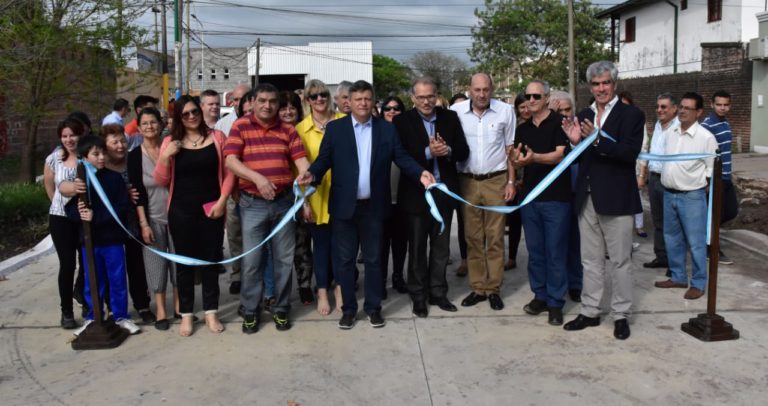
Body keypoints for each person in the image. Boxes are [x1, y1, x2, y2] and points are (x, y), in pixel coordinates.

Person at [297, 80, 436, 330]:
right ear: (348, 102)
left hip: (374, 208)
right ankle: (349, 309)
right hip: (344, 208)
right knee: (345, 261)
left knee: (373, 260)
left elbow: (401, 157)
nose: (363, 103)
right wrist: (312, 175)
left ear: (373, 102)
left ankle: (373, 308)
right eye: (358, 99)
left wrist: (420, 173)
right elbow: (324, 160)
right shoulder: (336, 129)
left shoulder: (386, 129)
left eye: (367, 99)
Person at [561, 60, 644, 340]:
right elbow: (586, 159)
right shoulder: (584, 114)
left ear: (615, 84)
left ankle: (621, 314)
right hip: (587, 198)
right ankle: (590, 311)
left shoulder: (632, 115)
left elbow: (628, 154)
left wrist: (596, 140)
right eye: (595, 84)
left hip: (617, 199)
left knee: (620, 261)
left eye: (605, 83)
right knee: (591, 260)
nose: (600, 89)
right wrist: (576, 143)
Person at [224, 83, 310, 334]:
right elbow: (231, 160)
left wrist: (306, 175)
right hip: (252, 204)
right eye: (262, 100)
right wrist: (258, 179)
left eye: (272, 101)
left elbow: (300, 161)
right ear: (254, 101)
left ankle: (281, 308)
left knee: (284, 260)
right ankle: (250, 310)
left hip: (283, 203)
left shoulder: (287, 130)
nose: (267, 106)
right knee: (252, 261)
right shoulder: (241, 126)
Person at [154, 95, 235, 337]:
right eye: (185, 114)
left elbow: (230, 172)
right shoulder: (170, 141)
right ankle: (187, 314)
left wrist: (222, 202)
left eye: (194, 112)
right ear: (178, 118)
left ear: (200, 112)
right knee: (184, 264)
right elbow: (160, 180)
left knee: (211, 261)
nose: (191, 117)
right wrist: (166, 156)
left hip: (212, 208)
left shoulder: (218, 138)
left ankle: (211, 311)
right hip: (181, 210)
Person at [393, 77, 469, 318]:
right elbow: (400, 155)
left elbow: (463, 151)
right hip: (416, 196)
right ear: (413, 98)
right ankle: (418, 295)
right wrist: (428, 152)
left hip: (444, 195)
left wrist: (447, 151)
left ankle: (438, 292)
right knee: (416, 249)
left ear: (437, 96)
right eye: (421, 97)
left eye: (430, 96)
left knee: (441, 248)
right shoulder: (401, 121)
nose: (426, 101)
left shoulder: (449, 118)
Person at [450, 73, 516, 311]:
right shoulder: (456, 111)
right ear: (469, 89)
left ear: (492, 89)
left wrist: (511, 181)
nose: (481, 94)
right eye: (477, 90)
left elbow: (510, 149)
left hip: (495, 181)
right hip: (466, 181)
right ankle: (478, 288)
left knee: (495, 238)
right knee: (473, 238)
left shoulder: (505, 111)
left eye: (486, 89)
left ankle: (494, 289)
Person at [510, 80, 571, 326]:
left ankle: (556, 302)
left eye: (536, 96)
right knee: (535, 252)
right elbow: (515, 156)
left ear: (547, 98)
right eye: (528, 96)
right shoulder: (522, 129)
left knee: (555, 252)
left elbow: (561, 154)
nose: (531, 100)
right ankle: (540, 295)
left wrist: (535, 158)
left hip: (556, 197)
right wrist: (515, 166)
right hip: (530, 198)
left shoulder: (559, 123)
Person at [69, 135, 140, 336]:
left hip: (112, 239)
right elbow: (71, 209)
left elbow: (121, 207)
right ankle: (93, 316)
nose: (101, 158)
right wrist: (80, 214)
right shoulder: (80, 180)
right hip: (89, 242)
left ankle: (121, 316)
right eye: (95, 154)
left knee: (117, 278)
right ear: (84, 157)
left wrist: (95, 216)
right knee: (93, 280)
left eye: (102, 153)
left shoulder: (114, 178)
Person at [654, 92, 718, 300]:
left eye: (687, 108)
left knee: (696, 242)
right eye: (680, 107)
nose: (681, 111)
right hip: (669, 194)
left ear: (699, 112)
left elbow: (711, 173)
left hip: (691, 197)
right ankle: (678, 276)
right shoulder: (671, 132)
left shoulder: (706, 138)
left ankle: (698, 283)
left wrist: (696, 191)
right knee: (672, 239)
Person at [296, 80, 346, 316]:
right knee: (321, 248)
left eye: (323, 94)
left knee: (342, 247)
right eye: (313, 96)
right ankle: (323, 291)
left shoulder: (343, 123)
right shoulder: (300, 129)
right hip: (315, 197)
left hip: (342, 195)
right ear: (307, 100)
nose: (319, 99)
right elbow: (299, 172)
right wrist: (304, 202)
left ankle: (340, 289)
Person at [98, 124, 155, 325]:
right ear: (105, 145)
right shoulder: (100, 164)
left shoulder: (133, 160)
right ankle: (113, 307)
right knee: (111, 267)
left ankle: (142, 304)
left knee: (136, 264)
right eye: (114, 142)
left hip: (133, 220)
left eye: (122, 140)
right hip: (109, 223)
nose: (120, 146)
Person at [128, 107, 178, 331]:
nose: (150, 127)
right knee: (155, 267)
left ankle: (179, 306)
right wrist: (144, 224)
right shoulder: (134, 156)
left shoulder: (172, 148)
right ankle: (160, 310)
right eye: (145, 123)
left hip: (177, 216)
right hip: (152, 218)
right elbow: (137, 193)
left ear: (162, 123)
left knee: (179, 264)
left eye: (154, 122)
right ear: (139, 128)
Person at [44, 118, 87, 329]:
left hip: (85, 218)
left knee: (87, 262)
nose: (69, 140)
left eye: (72, 135)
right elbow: (49, 185)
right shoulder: (54, 159)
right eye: (64, 136)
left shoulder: (88, 156)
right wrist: (58, 205)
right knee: (68, 264)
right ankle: (66, 311)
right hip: (60, 218)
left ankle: (87, 300)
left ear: (80, 134)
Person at [278, 90, 315, 306]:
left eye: (293, 107)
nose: (289, 111)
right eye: (283, 107)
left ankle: (304, 285)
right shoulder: (274, 132)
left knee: (302, 245)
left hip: (302, 194)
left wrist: (305, 200)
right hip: (279, 196)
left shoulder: (303, 130)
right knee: (282, 249)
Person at [549, 89, 583, 302]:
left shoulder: (582, 129)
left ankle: (576, 284)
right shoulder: (549, 130)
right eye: (558, 110)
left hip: (577, 195)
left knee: (576, 243)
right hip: (554, 197)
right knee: (555, 246)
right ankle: (556, 286)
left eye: (567, 109)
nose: (564, 114)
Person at [641, 93, 680, 271]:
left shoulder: (679, 127)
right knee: (658, 222)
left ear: (674, 109)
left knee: (672, 224)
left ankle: (674, 263)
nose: (659, 110)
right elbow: (650, 148)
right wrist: (644, 174)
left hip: (670, 179)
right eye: (658, 107)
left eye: (664, 107)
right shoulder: (657, 125)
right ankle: (661, 257)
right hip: (655, 178)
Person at [700, 90, 738, 265]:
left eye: (726, 105)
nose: (722, 108)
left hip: (726, 176)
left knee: (731, 211)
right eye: (719, 104)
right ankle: (712, 249)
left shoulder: (725, 122)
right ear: (712, 104)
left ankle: (703, 234)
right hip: (715, 179)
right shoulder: (707, 125)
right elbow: (703, 153)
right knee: (715, 216)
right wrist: (707, 180)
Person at [380, 96, 409, 295]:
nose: (391, 111)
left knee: (400, 244)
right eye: (387, 108)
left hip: (403, 199)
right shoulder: (376, 132)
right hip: (381, 200)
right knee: (380, 245)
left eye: (397, 108)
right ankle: (380, 280)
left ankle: (398, 276)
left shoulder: (407, 134)